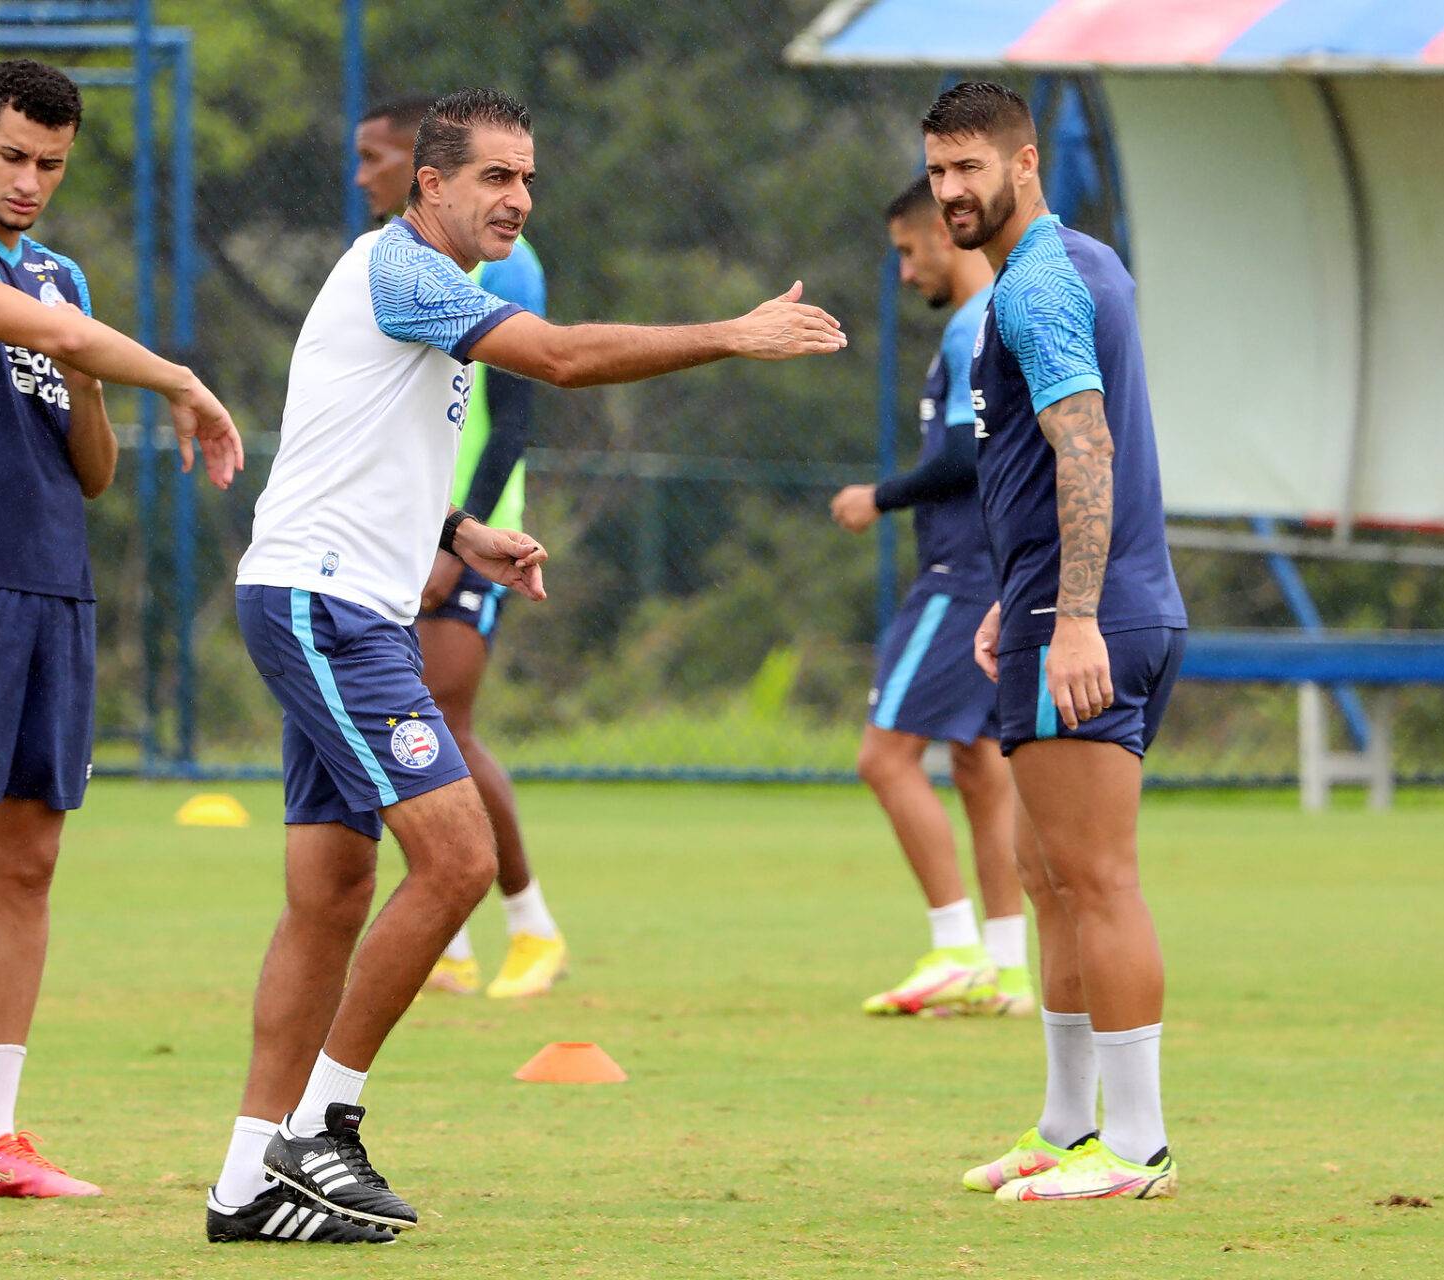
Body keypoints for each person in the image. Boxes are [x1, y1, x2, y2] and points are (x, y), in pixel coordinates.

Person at [208, 87, 844, 1244]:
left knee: (332, 897)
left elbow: (347, 439)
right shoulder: (403, 269)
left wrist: (457, 532)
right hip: (326, 607)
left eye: (530, 177)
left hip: (340, 599)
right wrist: (729, 332)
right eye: (497, 176)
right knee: (456, 858)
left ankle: (247, 1180)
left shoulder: (423, 289)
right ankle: (320, 1126)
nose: (520, 198)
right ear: (432, 185)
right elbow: (555, 358)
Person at [0, 58, 241, 1210]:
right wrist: (174, 374)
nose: (30, 181)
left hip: (55, 590)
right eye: (13, 156)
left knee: (30, 863)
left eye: (51, 165)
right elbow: (28, 330)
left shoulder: (60, 276)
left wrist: (88, 370)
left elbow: (91, 472)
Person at [920, 82, 1187, 1201]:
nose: (950, 193)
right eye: (937, 172)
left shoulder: (1033, 290)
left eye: (969, 168)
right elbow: (1048, 468)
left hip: (1091, 615)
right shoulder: (1079, 263)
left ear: (1025, 163)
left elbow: (1086, 450)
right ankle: (1067, 1124)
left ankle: (1136, 1145)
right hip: (1055, 603)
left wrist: (1071, 612)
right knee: (1046, 875)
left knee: (1095, 876)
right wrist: (1016, 595)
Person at [355, 95, 565, 1001]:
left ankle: (527, 925)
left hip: (473, 533)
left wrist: (459, 536)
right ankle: (455, 938)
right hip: (409, 529)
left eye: (373, 156)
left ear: (418, 165)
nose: (361, 173)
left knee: (442, 722)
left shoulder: (502, 267)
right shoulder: (390, 265)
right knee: (416, 725)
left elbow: (513, 423)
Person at [831, 177, 1030, 1018]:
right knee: (982, 769)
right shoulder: (1004, 315)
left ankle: (954, 948)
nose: (907, 271)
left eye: (910, 253)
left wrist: (878, 495)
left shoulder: (970, 326)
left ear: (947, 239)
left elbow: (968, 456)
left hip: (963, 577)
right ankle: (1008, 967)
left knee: (884, 758)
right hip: (999, 568)